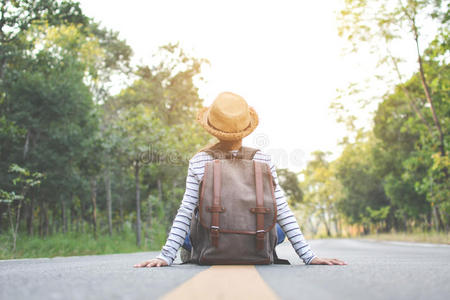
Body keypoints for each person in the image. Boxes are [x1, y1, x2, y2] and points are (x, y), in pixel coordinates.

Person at [134, 92, 346, 268]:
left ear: (213, 128)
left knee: (192, 224)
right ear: (245, 128)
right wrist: (308, 256)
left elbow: (185, 210)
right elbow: (281, 209)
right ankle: (254, 249)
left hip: (212, 239)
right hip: (255, 238)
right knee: (277, 229)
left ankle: (194, 250)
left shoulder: (199, 161)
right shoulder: (263, 159)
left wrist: (165, 256)